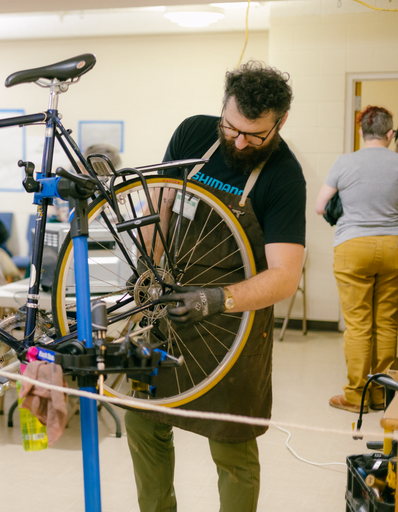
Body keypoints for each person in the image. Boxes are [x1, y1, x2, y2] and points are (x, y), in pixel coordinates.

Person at [125, 61, 306, 512]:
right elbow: (160, 203)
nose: (239, 141)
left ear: (281, 122)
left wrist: (217, 299)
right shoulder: (194, 135)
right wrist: (146, 265)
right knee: (144, 421)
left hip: (232, 323)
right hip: (167, 304)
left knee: (231, 443)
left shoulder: (284, 176)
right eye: (231, 127)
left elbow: (285, 275)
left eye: (254, 135)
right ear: (222, 109)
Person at [315, 106, 398, 413]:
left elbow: (320, 206)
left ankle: (356, 396)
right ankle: (381, 395)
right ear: (390, 134)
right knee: (387, 323)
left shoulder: (345, 162)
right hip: (394, 248)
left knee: (358, 325)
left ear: (362, 133)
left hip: (353, 247)